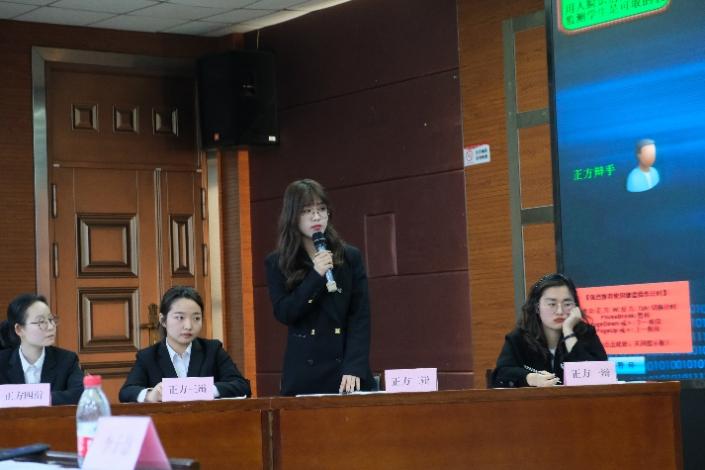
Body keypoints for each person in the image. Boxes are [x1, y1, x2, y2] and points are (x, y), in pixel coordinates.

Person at [265, 179, 374, 395]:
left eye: (321, 209)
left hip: (345, 366)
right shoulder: (278, 262)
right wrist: (316, 276)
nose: (316, 217)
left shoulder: (349, 256)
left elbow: (360, 316)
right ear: (293, 216)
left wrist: (354, 367)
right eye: (307, 211)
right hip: (305, 370)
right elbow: (285, 312)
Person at [119, 286, 251, 402]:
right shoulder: (148, 356)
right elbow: (126, 392)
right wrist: (150, 395)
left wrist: (203, 390)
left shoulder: (213, 350)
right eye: (180, 317)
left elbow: (242, 386)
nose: (188, 326)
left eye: (196, 318)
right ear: (163, 320)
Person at [491, 273, 607, 387]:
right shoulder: (519, 338)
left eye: (567, 304)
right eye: (552, 304)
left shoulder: (586, 334)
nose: (560, 311)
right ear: (537, 307)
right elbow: (500, 375)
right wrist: (530, 378)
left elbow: (601, 374)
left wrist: (568, 332)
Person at [0, 293, 84, 405]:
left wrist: (37, 398)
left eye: (51, 319)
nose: (51, 327)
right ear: (19, 329)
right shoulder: (2, 362)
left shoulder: (67, 360)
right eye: (41, 322)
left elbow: (81, 394)